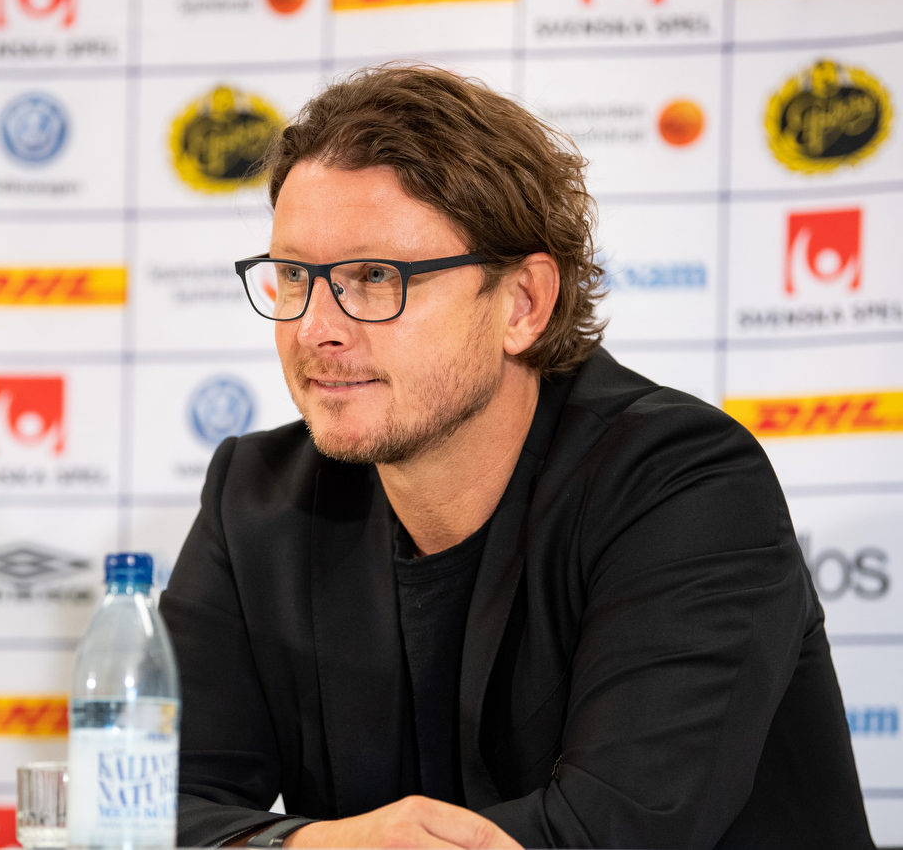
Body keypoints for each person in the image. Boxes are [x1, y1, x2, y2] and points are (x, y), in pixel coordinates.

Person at [158, 64, 874, 850]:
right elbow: (145, 808)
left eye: (375, 277)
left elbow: (608, 834)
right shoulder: (255, 496)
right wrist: (308, 845)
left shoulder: (686, 485)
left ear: (523, 303)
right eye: (295, 275)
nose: (313, 328)